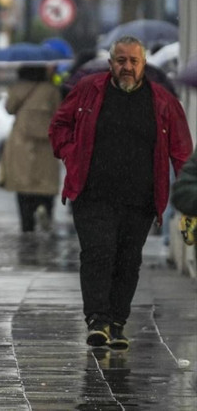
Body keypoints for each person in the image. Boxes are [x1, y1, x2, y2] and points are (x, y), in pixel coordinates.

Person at [48, 36, 192, 350]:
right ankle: (97, 320)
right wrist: (71, 153)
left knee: (128, 261)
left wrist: (188, 198)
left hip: (140, 199)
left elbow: (182, 151)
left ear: (144, 65)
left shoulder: (163, 101)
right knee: (98, 254)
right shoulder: (89, 89)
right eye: (121, 60)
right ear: (111, 63)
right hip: (92, 193)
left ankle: (117, 323)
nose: (127, 67)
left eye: (134, 61)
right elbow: (60, 124)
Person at [0, 66, 61, 233]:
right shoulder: (51, 90)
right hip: (46, 144)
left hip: (21, 142)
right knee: (45, 183)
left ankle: (27, 225)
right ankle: (45, 209)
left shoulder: (16, 88)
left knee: (23, 185)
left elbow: (9, 109)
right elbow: (59, 113)